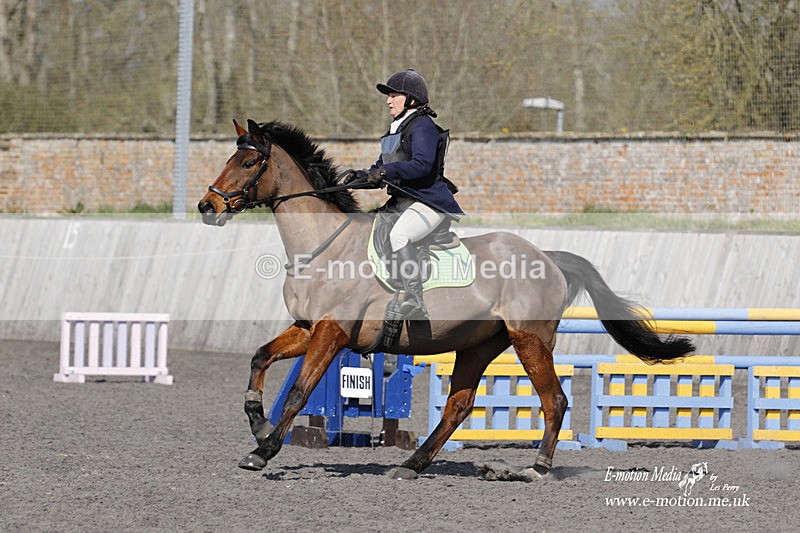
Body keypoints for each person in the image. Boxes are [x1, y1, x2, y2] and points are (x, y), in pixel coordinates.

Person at [355, 69, 463, 319]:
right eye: (388, 95)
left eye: (394, 94)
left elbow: (422, 164)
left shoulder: (422, 126)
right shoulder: (397, 129)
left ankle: (415, 300)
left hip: (429, 203)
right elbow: (381, 167)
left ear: (411, 99)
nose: (388, 100)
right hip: (404, 203)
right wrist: (359, 177)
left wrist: (386, 170)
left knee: (400, 235)